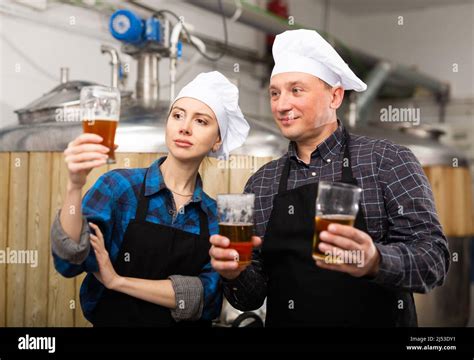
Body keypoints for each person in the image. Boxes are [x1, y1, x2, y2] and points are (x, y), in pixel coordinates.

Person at [209, 29, 450, 327]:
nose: (281, 105)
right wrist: (235, 272)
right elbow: (251, 297)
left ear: (335, 96)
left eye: (296, 90)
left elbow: (435, 260)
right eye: (275, 92)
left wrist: (376, 260)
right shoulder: (262, 182)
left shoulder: (387, 161)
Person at [51, 71, 250, 327]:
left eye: (201, 121)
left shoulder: (215, 216)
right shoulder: (120, 187)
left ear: (217, 140)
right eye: (177, 115)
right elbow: (69, 260)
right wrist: (74, 185)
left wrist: (118, 281)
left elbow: (203, 298)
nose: (185, 127)